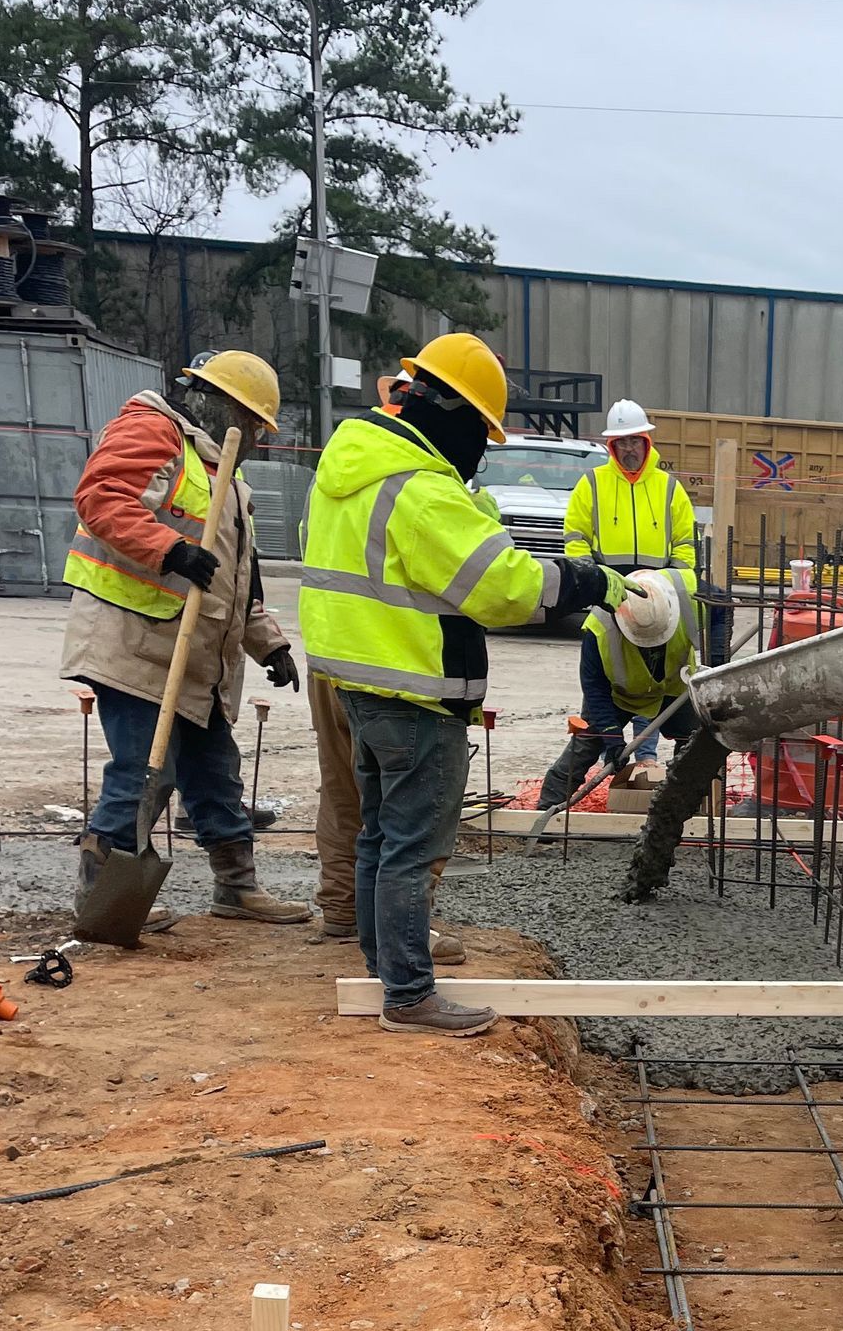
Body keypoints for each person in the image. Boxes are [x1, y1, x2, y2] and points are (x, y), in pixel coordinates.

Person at [298, 331, 623, 1036]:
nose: (481, 445)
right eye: (482, 429)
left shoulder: (354, 466)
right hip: (415, 692)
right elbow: (502, 589)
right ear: (452, 412)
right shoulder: (421, 489)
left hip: (360, 683)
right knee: (412, 844)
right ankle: (410, 994)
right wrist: (589, 580)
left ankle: (387, 963)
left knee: (379, 835)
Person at [63, 348, 309, 936]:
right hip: (135, 645)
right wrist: (168, 549)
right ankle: (105, 897)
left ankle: (236, 885)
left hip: (194, 658)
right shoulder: (153, 430)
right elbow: (102, 499)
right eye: (253, 424)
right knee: (144, 771)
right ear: (222, 405)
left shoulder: (225, 478)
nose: (255, 438)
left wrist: (267, 643)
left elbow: (233, 580)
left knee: (216, 771)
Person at [307, 370, 462, 965]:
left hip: (336, 658)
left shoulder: (343, 464)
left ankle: (347, 914)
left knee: (352, 799)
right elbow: (481, 579)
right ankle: (405, 959)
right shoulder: (416, 474)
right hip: (395, 667)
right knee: (412, 818)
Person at [539, 397, 697, 810]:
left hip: (663, 599)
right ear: (612, 446)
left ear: (646, 442)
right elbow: (575, 541)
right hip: (609, 601)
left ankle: (684, 805)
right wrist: (610, 737)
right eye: (621, 443)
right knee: (592, 734)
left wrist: (669, 587)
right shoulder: (592, 484)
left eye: (635, 441)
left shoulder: (668, 489)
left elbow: (685, 548)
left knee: (693, 735)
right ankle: (548, 807)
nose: (629, 449)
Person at [540, 569, 698, 815]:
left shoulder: (687, 592)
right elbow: (595, 691)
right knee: (586, 745)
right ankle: (546, 810)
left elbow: (721, 608)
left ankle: (681, 809)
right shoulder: (598, 630)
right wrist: (611, 736)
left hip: (673, 686)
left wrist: (717, 657)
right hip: (620, 694)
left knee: (697, 741)